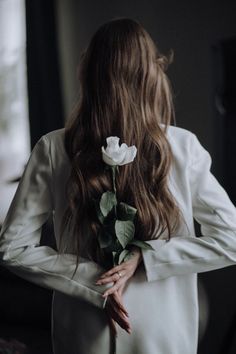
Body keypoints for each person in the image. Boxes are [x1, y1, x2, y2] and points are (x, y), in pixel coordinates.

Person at [0, 17, 236, 354]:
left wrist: (102, 278)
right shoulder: (183, 147)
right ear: (151, 74)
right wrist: (149, 260)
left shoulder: (53, 148)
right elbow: (232, 237)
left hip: (88, 334)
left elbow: (12, 247)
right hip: (162, 335)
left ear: (88, 73)